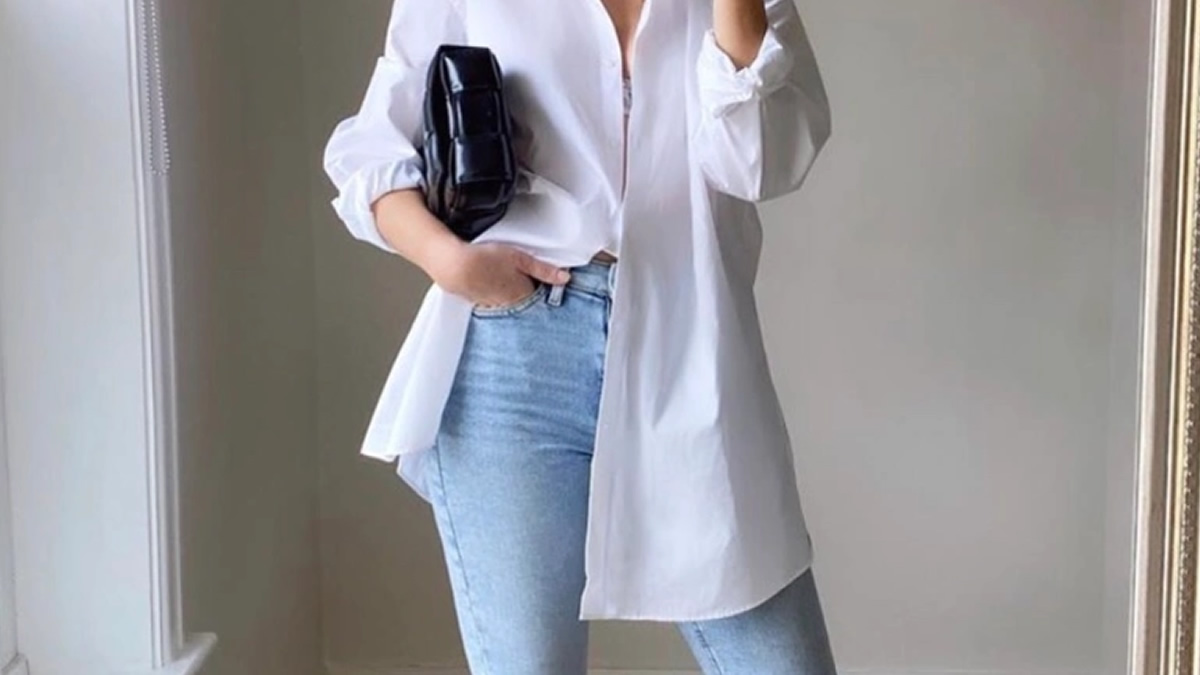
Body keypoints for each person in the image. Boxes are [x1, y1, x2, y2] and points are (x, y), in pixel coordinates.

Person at [322, 0, 835, 672]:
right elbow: (372, 148)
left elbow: (759, 165)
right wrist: (452, 265)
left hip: (687, 344)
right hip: (514, 357)